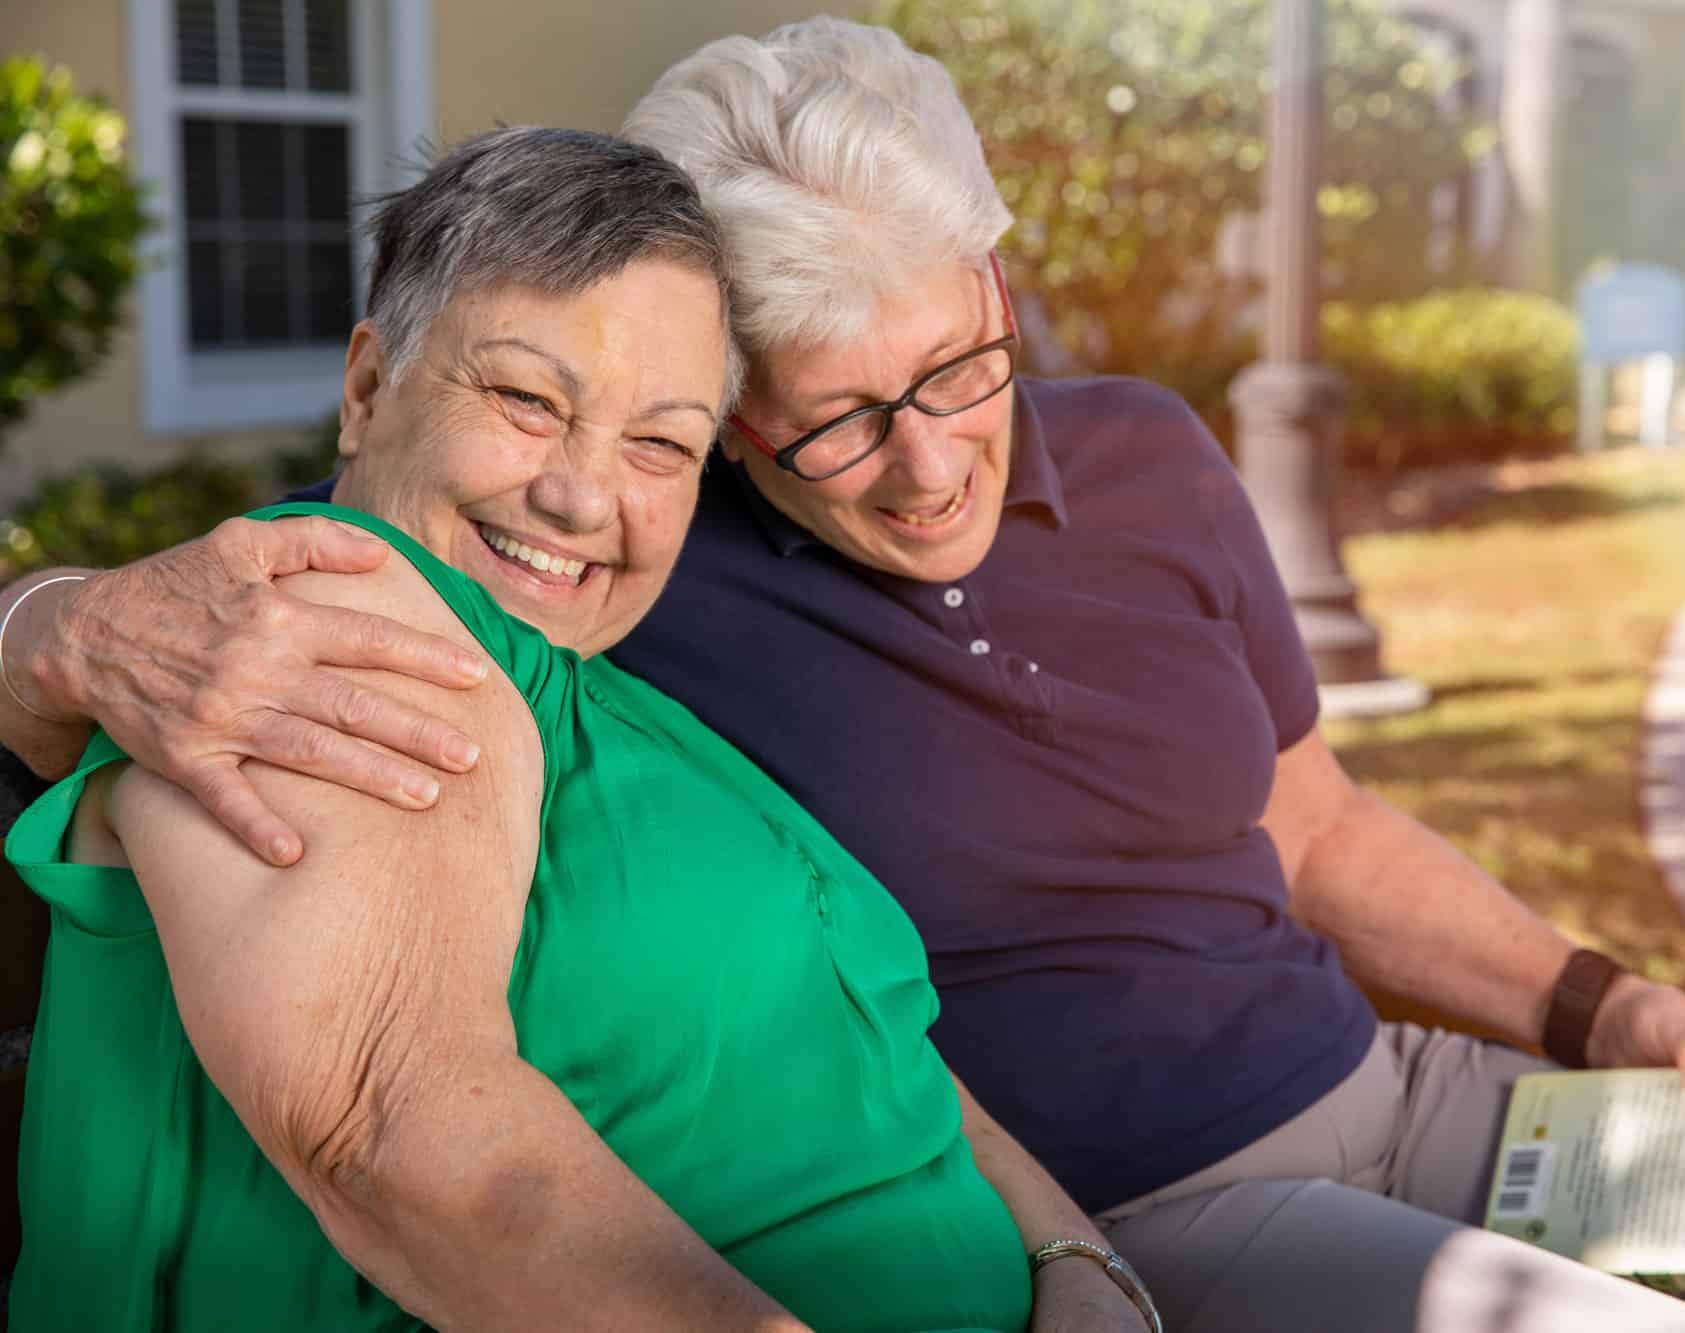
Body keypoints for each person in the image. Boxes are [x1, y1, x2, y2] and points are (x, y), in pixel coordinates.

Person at [5, 19, 1685, 1332]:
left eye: (964, 364)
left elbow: (1307, 822)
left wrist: (1599, 998)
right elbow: (325, 574)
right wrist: (64, 618)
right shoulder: (637, 565)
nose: (939, 455)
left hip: (1419, 1090)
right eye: (835, 419)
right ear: (739, 411)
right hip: (1190, 1207)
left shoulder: (1143, 447)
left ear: (998, 278)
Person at [1, 126, 1161, 1333]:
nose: (582, 494)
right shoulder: (333, 641)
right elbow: (393, 1129)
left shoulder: (621, 698)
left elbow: (876, 1048)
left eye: (659, 443)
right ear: (365, 388)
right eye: (523, 399)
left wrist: (1075, 1258)